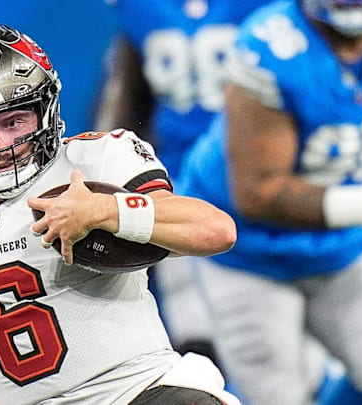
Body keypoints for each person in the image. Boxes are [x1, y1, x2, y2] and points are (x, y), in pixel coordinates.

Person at [0, 24, 239, 405]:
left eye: (13, 121)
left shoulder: (98, 161)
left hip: (142, 390)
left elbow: (216, 231)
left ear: (44, 111)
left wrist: (107, 210)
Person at [179, 0, 362, 404]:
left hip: (345, 245)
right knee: (277, 398)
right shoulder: (270, 46)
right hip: (246, 250)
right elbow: (259, 194)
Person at [95, 0, 267, 365]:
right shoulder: (141, 12)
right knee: (198, 338)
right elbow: (126, 100)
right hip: (178, 184)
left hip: (254, 178)